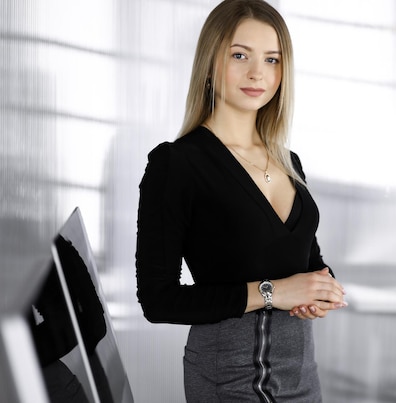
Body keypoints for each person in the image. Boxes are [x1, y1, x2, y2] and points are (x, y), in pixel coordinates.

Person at [134, 0, 348, 401]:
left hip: (301, 377)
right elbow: (158, 299)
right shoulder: (177, 164)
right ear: (210, 62)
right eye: (239, 55)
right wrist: (275, 293)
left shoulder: (288, 161)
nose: (257, 74)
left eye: (272, 59)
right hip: (230, 379)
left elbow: (305, 261)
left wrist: (321, 288)